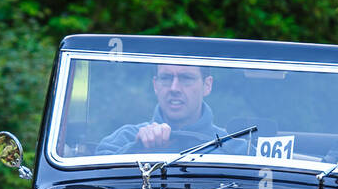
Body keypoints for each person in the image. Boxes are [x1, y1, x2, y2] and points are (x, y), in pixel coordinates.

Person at [96, 63, 243, 155]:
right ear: (155, 85)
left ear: (207, 85)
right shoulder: (126, 138)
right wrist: (138, 149)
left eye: (186, 78)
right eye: (166, 78)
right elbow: (94, 180)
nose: (174, 88)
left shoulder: (235, 148)